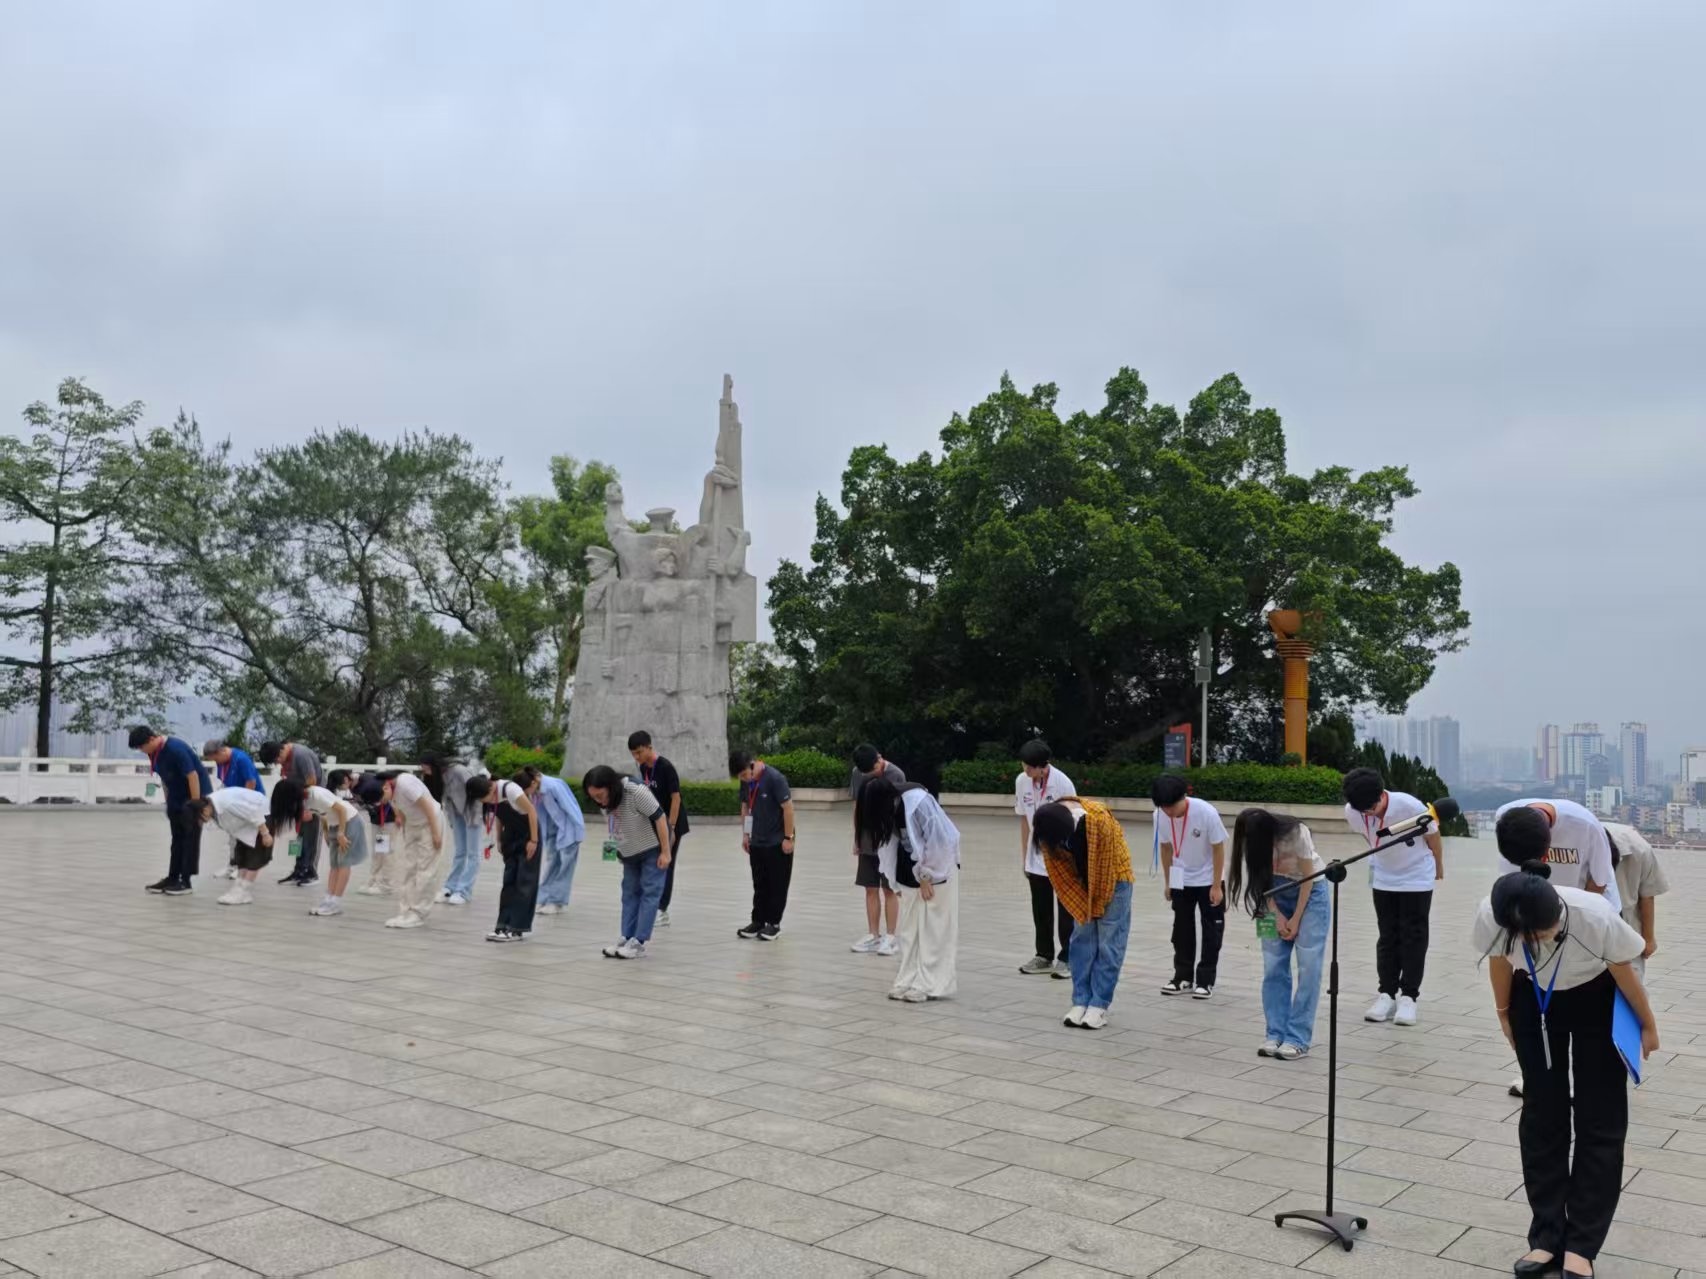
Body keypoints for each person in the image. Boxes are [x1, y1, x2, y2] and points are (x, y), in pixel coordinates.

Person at [1474, 862, 1658, 1278]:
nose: (1536, 941)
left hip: (1598, 997)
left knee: (1601, 1118)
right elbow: (1500, 960)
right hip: (1532, 998)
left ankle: (1582, 1246)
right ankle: (1546, 1237)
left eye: (1543, 934)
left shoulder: (1593, 914)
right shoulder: (1491, 913)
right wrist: (1503, 1012)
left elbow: (1624, 969)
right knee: (1542, 1113)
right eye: (1527, 938)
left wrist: (1647, 1024)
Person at [1342, 767, 1444, 1027]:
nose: (1368, 814)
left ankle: (1409, 997)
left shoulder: (1409, 806)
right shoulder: (1353, 811)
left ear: (1381, 795)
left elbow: (1433, 835)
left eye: (1372, 808)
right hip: (1384, 876)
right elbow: (1369, 838)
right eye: (1363, 811)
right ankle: (1386, 994)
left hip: (1416, 874)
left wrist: (1438, 866)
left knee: (1413, 935)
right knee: (1387, 935)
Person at [1229, 808, 1330, 1061]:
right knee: (1273, 965)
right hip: (1269, 895)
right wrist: (1276, 914)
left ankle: (1298, 1038)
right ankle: (1275, 1033)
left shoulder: (1297, 832)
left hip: (1311, 893)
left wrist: (1295, 918)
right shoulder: (1251, 839)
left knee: (1309, 966)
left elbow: (1309, 879)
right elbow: (1258, 881)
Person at [1032, 796, 1134, 1029]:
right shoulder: (1047, 823)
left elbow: (1104, 874)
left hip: (1115, 879)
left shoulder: (1099, 820)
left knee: (1108, 943)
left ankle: (1098, 1005)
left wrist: (1094, 908)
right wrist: (1081, 906)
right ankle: (1080, 1001)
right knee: (1081, 941)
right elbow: (1061, 875)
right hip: (1081, 882)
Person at [856, 773, 959, 1002]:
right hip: (908, 868)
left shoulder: (917, 801)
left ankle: (930, 984)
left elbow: (941, 840)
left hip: (937, 869)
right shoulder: (886, 810)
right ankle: (908, 978)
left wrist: (927, 875)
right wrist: (895, 880)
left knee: (934, 929)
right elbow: (889, 845)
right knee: (910, 930)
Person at [583, 764, 673, 959]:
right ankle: (626, 937)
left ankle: (639, 942)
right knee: (629, 893)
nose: (598, 801)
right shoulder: (605, 802)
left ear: (611, 786)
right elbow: (613, 826)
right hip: (630, 851)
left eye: (600, 795)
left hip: (652, 848)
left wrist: (666, 852)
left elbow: (660, 818)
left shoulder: (635, 790)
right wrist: (616, 852)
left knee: (650, 892)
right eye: (594, 797)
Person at [1153, 774, 1229, 999]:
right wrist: (1168, 882)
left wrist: (1217, 885)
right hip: (1180, 878)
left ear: (1183, 797)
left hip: (1208, 878)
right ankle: (1182, 977)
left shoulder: (1206, 813)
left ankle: (1205, 980)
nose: (1168, 812)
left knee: (1211, 931)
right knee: (1181, 930)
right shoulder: (1159, 815)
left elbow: (1218, 849)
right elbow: (1166, 848)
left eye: (1171, 806)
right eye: (1164, 807)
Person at [1015, 740, 1076, 978]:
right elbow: (1024, 819)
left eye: (1030, 767)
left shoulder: (1062, 783)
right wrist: (1025, 856)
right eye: (1024, 765)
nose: (1026, 771)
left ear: (1043, 767)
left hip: (1060, 855)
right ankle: (1043, 955)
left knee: (1066, 909)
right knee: (1040, 909)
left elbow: (1074, 821)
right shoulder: (1022, 781)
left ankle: (1068, 957)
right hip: (1035, 855)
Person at [270, 772, 369, 917]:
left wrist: (341, 833)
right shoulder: (304, 800)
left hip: (350, 821)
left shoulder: (316, 794)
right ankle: (329, 899)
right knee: (334, 864)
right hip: (335, 824)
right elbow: (322, 814)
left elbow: (341, 810)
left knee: (343, 863)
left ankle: (336, 902)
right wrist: (326, 832)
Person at [1495, 798, 1620, 912]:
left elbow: (1599, 882)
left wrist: (1576, 915)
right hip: (1540, 910)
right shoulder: (1505, 821)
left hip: (1592, 907)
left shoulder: (1586, 826)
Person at [131, 725, 209, 895]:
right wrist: (169, 802)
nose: (142, 751)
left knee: (189, 839)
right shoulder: (155, 752)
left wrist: (195, 806)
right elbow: (164, 778)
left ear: (151, 739)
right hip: (177, 796)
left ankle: (186, 882)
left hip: (194, 795)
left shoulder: (175, 748)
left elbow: (193, 776)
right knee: (177, 839)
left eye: (142, 747)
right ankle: (173, 877)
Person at [466, 772, 541, 942]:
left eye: (483, 798)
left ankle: (517, 929)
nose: (484, 802)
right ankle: (502, 927)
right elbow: (499, 816)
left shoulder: (510, 790)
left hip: (529, 835)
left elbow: (531, 811)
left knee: (524, 882)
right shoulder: (491, 795)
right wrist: (499, 839)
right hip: (510, 836)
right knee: (509, 882)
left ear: (490, 789)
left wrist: (534, 840)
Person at [731, 750, 795, 940]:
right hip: (757, 840)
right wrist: (746, 834)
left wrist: (788, 837)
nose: (744, 779)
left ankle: (773, 924)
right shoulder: (746, 781)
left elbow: (788, 808)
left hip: (777, 840)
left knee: (777, 883)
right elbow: (745, 806)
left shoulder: (775, 778)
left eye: (745, 774)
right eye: (740, 777)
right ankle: (758, 921)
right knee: (759, 883)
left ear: (752, 764)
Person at [849, 744, 905, 956]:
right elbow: (857, 806)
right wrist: (857, 838)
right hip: (867, 838)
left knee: (889, 888)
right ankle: (873, 935)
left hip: (889, 839)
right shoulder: (858, 772)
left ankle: (891, 937)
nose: (872, 774)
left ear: (879, 758)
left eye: (874, 769)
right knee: (869, 887)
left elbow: (900, 810)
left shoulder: (896, 774)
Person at [630, 732, 687, 926]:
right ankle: (651, 905)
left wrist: (671, 828)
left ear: (649, 747)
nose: (637, 757)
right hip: (656, 822)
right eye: (633, 754)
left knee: (666, 863)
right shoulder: (643, 767)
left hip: (672, 823)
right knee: (653, 863)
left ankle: (662, 910)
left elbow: (676, 798)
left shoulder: (665, 767)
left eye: (639, 752)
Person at [188, 785, 273, 905]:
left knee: (256, 857)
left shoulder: (227, 804)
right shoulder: (212, 806)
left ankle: (243, 890)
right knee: (242, 856)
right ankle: (238, 889)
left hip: (261, 815)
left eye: (201, 819)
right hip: (246, 825)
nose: (203, 822)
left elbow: (253, 812)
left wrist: (265, 833)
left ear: (204, 810)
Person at [381, 769, 444, 929]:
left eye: (381, 798)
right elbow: (400, 810)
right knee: (408, 868)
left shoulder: (406, 783)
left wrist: (435, 833)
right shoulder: (388, 788)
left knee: (425, 869)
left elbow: (428, 806)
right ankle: (405, 911)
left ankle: (419, 913)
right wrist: (404, 830)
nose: (381, 802)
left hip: (430, 823)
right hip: (412, 825)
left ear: (387, 786)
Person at [1604, 822, 1668, 975]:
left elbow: (1647, 895)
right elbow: (1647, 896)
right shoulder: (1572, 845)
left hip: (1625, 931)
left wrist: (1648, 939)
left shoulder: (1639, 849)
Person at [258, 740, 322, 888]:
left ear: (281, 751)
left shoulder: (301, 755)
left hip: (312, 801)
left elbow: (312, 781)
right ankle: (298, 870)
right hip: (299, 800)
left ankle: (311, 872)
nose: (278, 763)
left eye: (276, 760)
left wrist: (308, 808)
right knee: (299, 837)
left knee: (310, 836)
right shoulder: (287, 759)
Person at [424, 753, 485, 906]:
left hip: (472, 813)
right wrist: (451, 821)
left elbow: (478, 791)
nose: (425, 771)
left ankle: (464, 891)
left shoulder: (459, 771)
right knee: (459, 852)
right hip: (456, 816)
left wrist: (477, 815)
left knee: (473, 854)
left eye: (426, 768)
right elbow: (445, 800)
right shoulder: (438, 777)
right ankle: (450, 887)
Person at [203, 738, 263, 881]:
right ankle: (232, 865)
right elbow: (224, 782)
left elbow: (251, 781)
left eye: (215, 758)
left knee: (243, 836)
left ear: (221, 751)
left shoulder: (241, 759)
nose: (215, 762)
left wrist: (244, 805)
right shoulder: (222, 762)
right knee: (232, 836)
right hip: (232, 801)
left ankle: (243, 867)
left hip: (248, 801)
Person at [529, 766, 586, 916]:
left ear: (534, 781)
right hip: (552, 832)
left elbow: (571, 808)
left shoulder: (553, 786)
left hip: (568, 832)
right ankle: (543, 899)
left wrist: (579, 832)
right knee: (551, 865)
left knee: (565, 867)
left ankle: (556, 901)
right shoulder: (537, 791)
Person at [351, 770, 394, 896]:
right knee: (379, 851)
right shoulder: (356, 786)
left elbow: (387, 798)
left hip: (388, 819)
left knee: (386, 852)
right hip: (377, 820)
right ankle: (374, 880)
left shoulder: (370, 782)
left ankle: (386, 885)